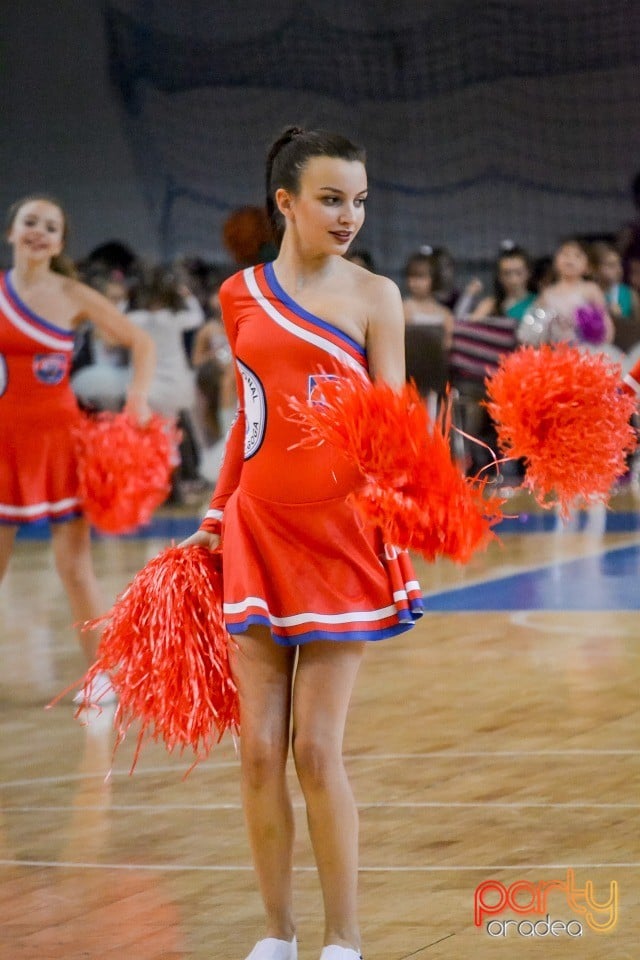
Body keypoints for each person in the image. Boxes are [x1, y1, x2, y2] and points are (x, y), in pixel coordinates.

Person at [180, 127, 423, 960]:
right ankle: (276, 935)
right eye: (330, 198)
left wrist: (422, 488)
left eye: (358, 199)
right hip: (255, 530)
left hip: (339, 541)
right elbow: (248, 420)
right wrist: (215, 515)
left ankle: (343, 940)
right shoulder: (239, 295)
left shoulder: (375, 296)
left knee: (316, 750)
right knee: (255, 752)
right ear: (284, 202)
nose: (348, 214)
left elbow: (393, 424)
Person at [0, 195, 155, 697]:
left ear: (60, 242)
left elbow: (141, 342)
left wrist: (136, 398)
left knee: (75, 568)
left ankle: (102, 677)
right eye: (30, 222)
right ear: (11, 232)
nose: (38, 232)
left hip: (61, 445)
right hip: (4, 446)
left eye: (50, 226)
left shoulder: (72, 294)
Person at [531, 239, 614, 344]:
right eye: (565, 254)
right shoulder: (547, 293)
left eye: (577, 256)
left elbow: (604, 320)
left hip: (586, 349)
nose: (570, 259)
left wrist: (605, 344)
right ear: (555, 261)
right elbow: (536, 324)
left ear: (588, 267)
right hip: (556, 350)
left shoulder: (590, 289)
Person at [590, 242, 640, 352]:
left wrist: (620, 320)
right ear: (595, 269)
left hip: (625, 350)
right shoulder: (588, 292)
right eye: (611, 265)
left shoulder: (629, 294)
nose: (618, 270)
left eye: (619, 264)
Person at [471, 245, 535, 324]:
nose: (513, 280)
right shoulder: (490, 304)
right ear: (499, 276)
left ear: (529, 273)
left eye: (518, 273)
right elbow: (470, 327)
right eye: (506, 274)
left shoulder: (538, 301)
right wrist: (469, 295)